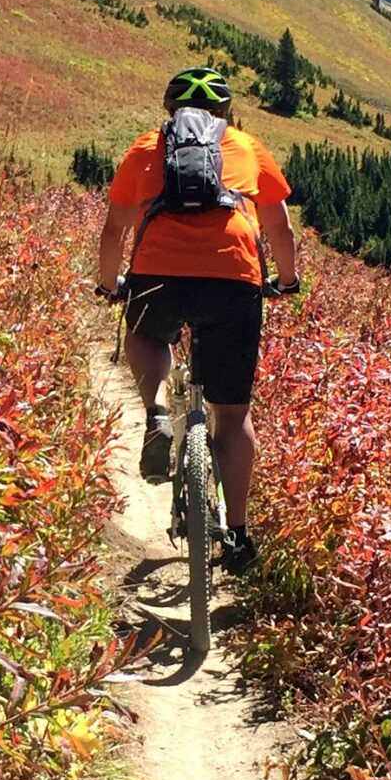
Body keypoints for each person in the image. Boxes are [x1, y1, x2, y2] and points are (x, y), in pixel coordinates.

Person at [95, 65, 300, 574]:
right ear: (223, 113)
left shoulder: (146, 148)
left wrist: (109, 285)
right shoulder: (247, 146)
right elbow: (279, 227)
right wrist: (288, 281)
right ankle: (237, 534)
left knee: (145, 333)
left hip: (159, 270)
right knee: (231, 415)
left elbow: (114, 230)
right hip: (234, 278)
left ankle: (159, 413)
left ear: (170, 110)